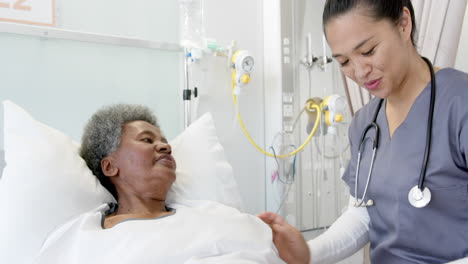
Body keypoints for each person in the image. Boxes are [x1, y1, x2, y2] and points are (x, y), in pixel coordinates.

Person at [259, 0, 468, 263]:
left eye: (368, 51)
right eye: (344, 61)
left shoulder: (460, 104)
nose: (359, 72)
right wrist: (309, 252)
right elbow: (362, 214)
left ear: (404, 24)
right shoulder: (365, 123)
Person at [34, 104, 284, 264]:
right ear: (110, 166)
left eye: (164, 141)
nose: (165, 146)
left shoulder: (220, 216)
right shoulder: (83, 237)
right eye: (146, 140)